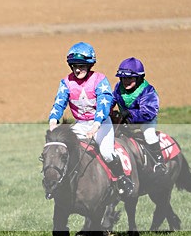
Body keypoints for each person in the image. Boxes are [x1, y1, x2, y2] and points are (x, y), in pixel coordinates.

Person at [48, 42, 134, 197]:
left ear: (89, 66)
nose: (77, 70)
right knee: (64, 150)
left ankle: (122, 179)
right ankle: (60, 185)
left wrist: (95, 125)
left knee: (107, 153)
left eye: (81, 66)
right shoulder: (66, 82)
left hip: (101, 124)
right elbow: (59, 103)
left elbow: (104, 104)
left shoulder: (100, 80)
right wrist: (53, 121)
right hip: (80, 125)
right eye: (74, 66)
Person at [112, 57, 166, 175]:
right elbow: (112, 100)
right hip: (126, 121)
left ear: (139, 78)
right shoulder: (118, 88)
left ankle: (159, 162)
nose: (126, 81)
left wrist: (130, 113)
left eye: (129, 78)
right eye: (123, 78)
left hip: (145, 121)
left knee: (149, 135)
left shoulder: (148, 90)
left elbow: (148, 113)